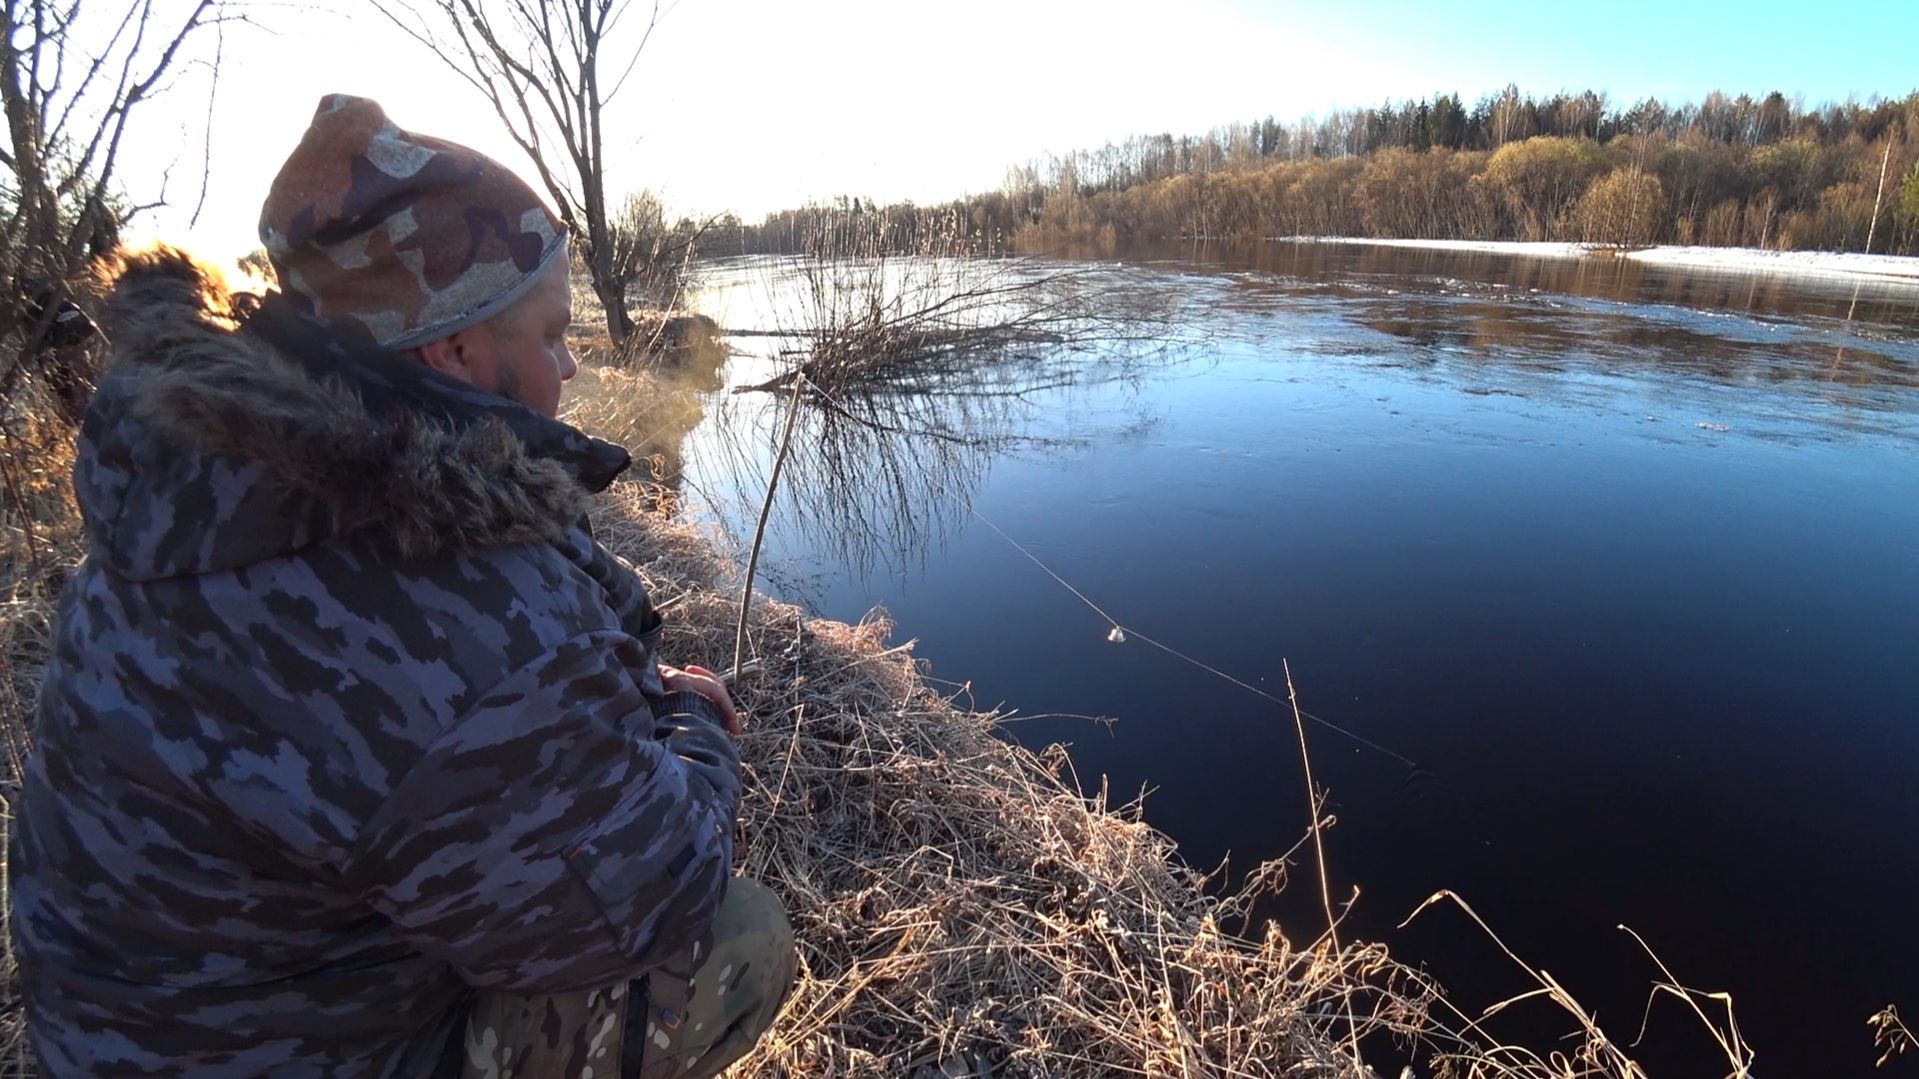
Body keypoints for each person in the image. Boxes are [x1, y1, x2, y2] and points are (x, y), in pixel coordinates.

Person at [8, 94, 794, 1078]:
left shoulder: (208, 479)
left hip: (118, 1036)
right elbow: (655, 883)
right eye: (553, 334)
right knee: (736, 936)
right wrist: (694, 724)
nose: (571, 364)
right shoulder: (444, 608)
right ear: (455, 351)